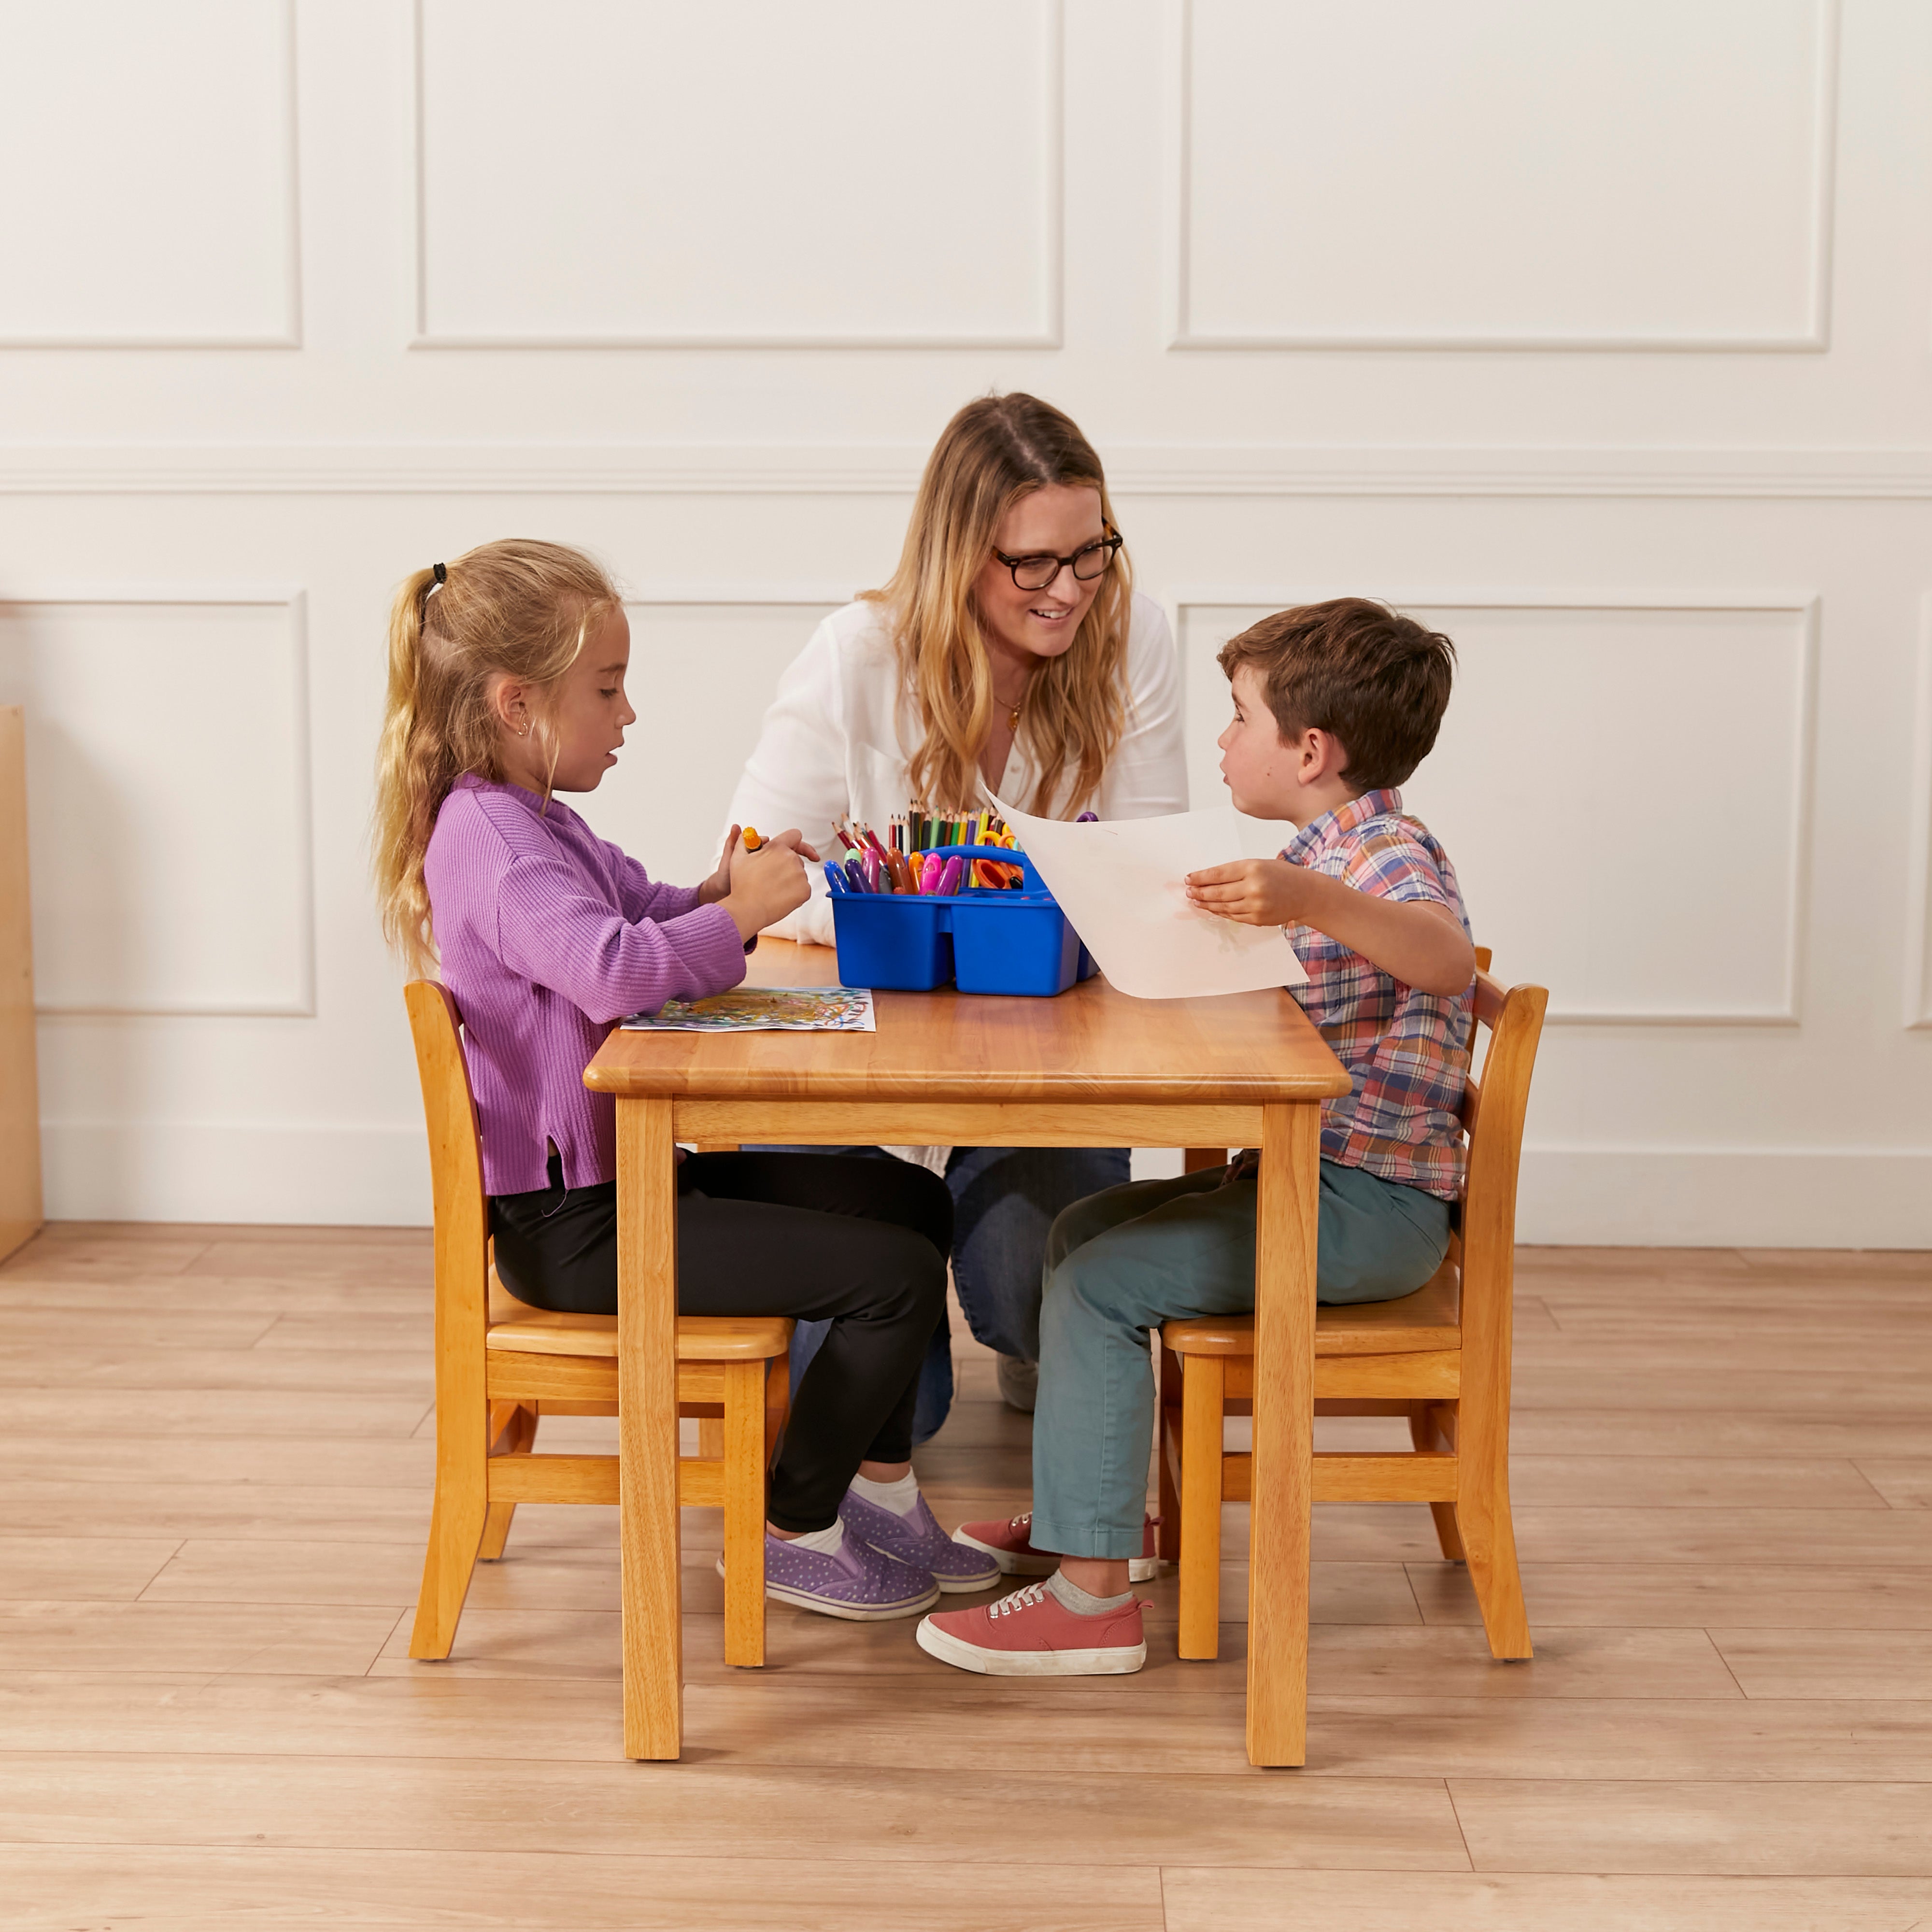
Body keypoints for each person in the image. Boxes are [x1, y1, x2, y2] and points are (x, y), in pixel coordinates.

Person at [372, 539, 1000, 1620]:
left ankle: (880, 1491)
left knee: (911, 1197)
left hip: (631, 1185)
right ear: (517, 702)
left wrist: (718, 887)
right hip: (577, 1227)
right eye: (606, 689)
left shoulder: (536, 818)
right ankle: (789, 1522)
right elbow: (609, 967)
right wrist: (744, 913)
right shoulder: (495, 842)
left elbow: (639, 910)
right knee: (892, 1276)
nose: (626, 715)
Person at [918, 598, 1477, 1674]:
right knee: (1078, 1233)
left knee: (1097, 1285)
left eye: (1238, 717)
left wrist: (1302, 895)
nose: (1220, 739)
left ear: (1308, 750)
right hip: (1320, 1183)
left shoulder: (1380, 853)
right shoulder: (1329, 851)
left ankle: (1090, 1606)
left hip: (1366, 1208)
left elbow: (1444, 956)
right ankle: (1093, 1518)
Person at [728, 393, 1189, 1433]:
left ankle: (1035, 1340)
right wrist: (925, 916)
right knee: (891, 1407)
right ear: (957, 552)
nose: (1068, 590)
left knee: (1033, 1289)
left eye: (1090, 551)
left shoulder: (1132, 637)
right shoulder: (857, 653)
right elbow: (750, 870)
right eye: (1032, 562)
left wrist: (992, 912)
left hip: (1038, 1052)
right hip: (861, 1058)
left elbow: (1143, 869)